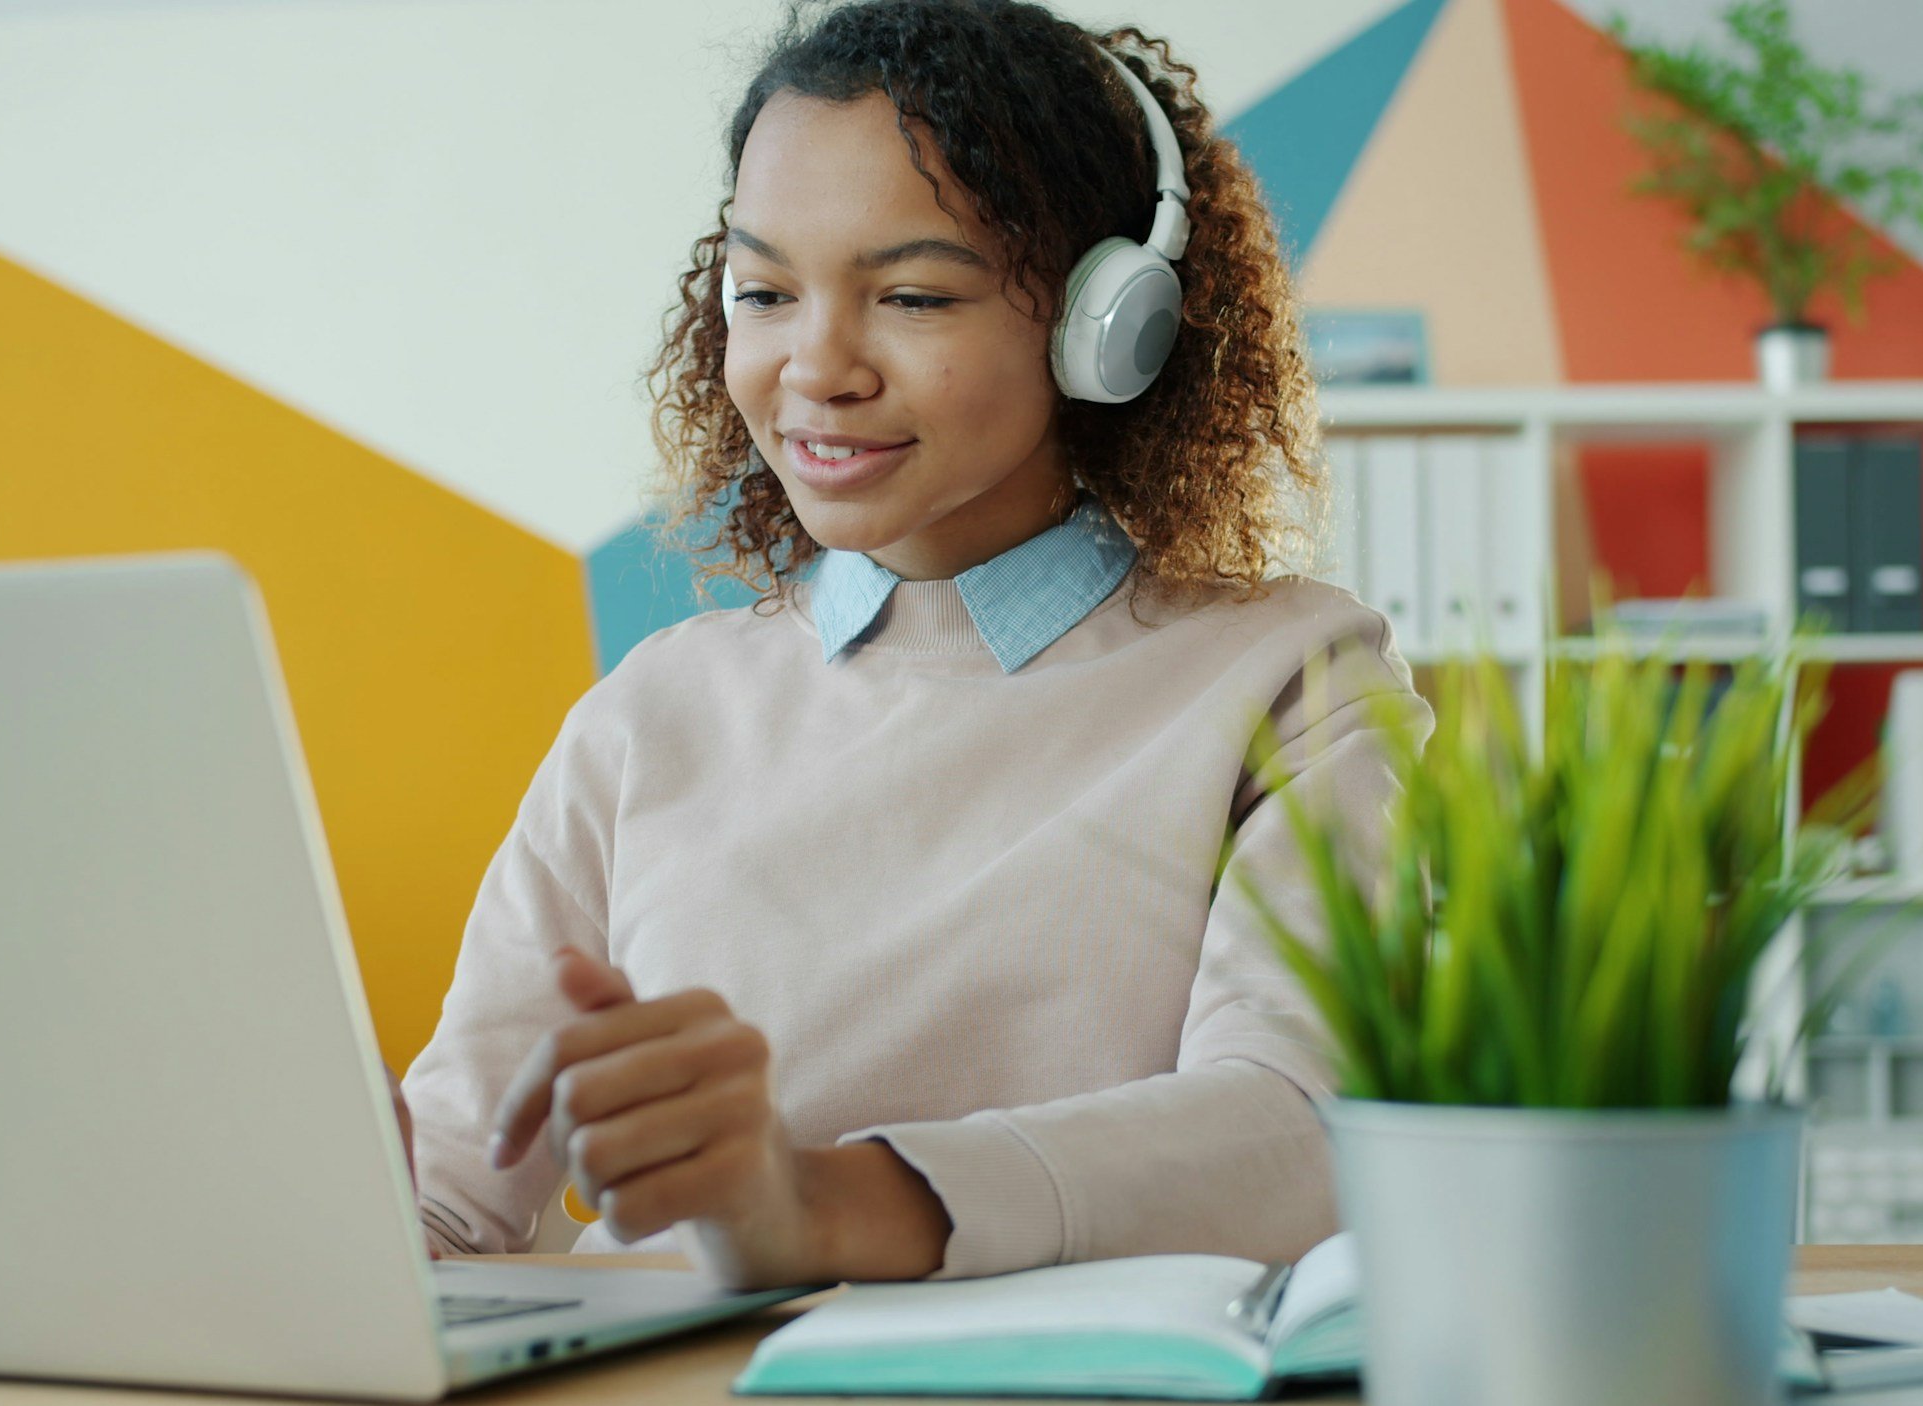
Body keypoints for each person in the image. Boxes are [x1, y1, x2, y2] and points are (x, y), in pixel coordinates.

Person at [392, 0, 1432, 1291]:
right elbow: (444, 1195)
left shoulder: (1292, 678)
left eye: (912, 294)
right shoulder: (650, 715)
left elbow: (1301, 1132)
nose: (814, 365)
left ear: (1105, 326)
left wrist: (819, 1202)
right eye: (763, 290)